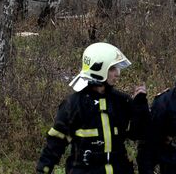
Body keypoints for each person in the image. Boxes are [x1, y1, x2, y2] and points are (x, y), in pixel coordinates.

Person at [36, 42, 149, 174]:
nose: (117, 73)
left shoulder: (122, 101)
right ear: (98, 70)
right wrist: (43, 170)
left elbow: (139, 134)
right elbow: (55, 144)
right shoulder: (73, 104)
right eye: (112, 68)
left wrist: (140, 107)